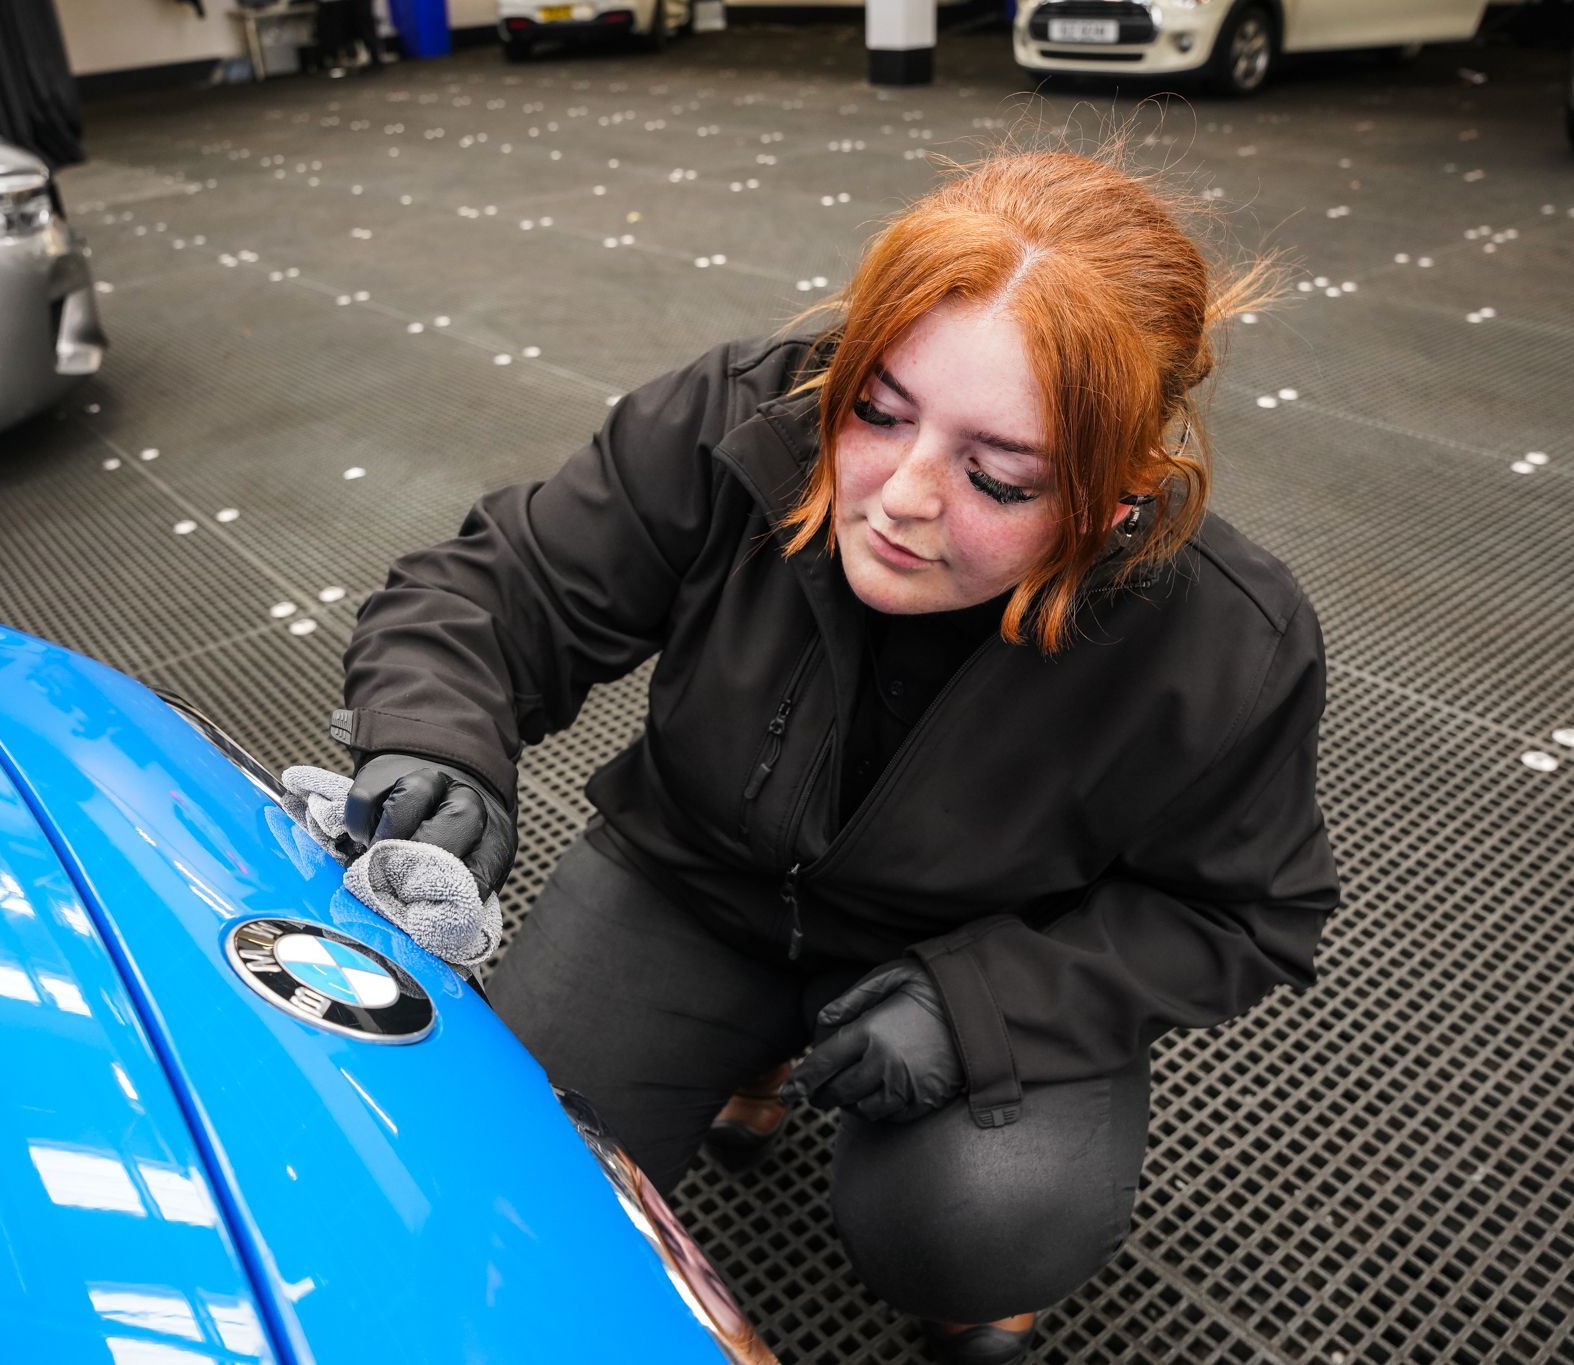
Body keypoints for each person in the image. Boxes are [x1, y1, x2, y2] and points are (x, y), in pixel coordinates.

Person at [301, 139, 1341, 1362]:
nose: (900, 496)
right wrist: (437, 737)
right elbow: (500, 586)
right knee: (505, 1160)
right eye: (877, 411)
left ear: (1113, 501)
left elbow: (1241, 914)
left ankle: (976, 1279)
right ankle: (750, 1051)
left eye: (996, 476)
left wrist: (983, 1009)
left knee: (976, 1220)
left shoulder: (1226, 639)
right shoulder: (739, 417)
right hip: (689, 886)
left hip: (963, 949)